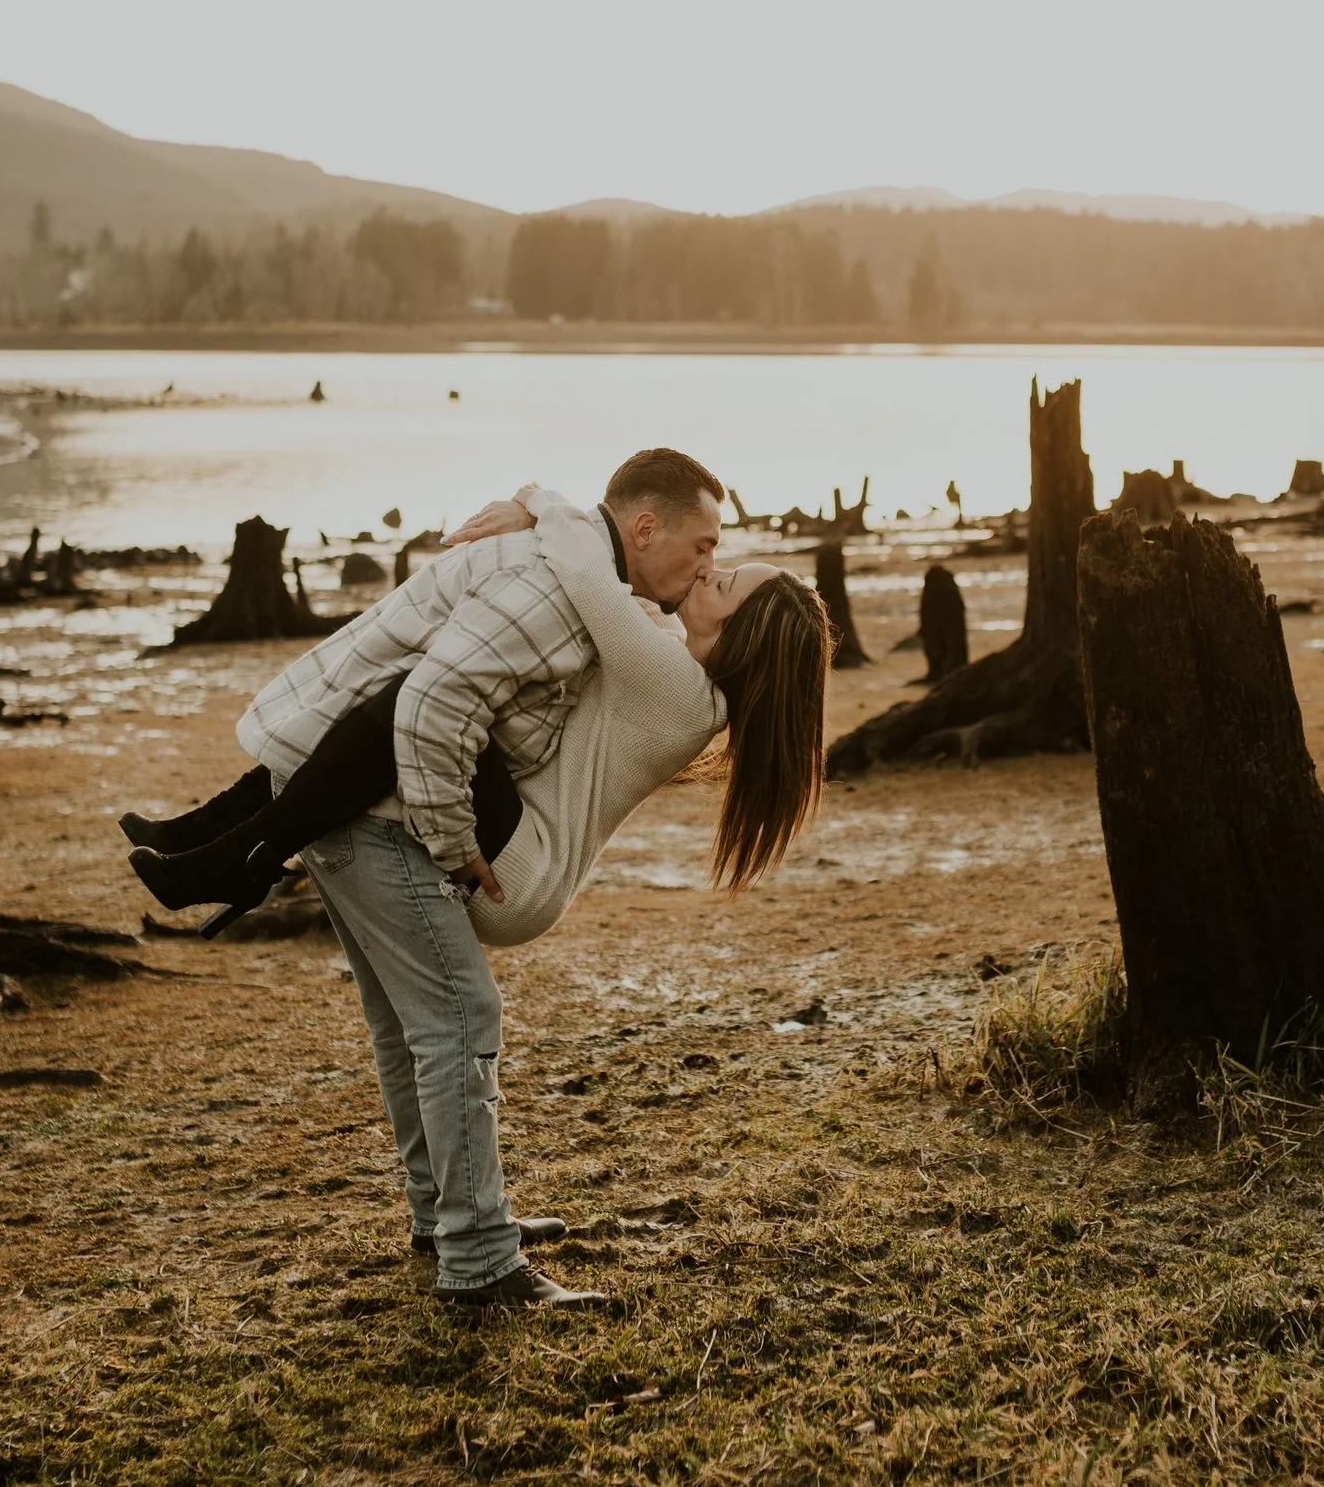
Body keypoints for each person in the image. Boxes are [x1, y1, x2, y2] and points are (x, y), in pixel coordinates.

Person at [124, 457, 831, 1309]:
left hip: (516, 862)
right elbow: (596, 565)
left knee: (409, 716)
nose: (712, 568)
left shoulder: (676, 683)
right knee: (413, 998)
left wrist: (534, 499)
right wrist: (540, 514)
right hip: (511, 838)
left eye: (728, 578)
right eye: (715, 554)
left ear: (748, 633)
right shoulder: (670, 656)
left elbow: (584, 561)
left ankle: (476, 1247)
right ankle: (451, 1213)